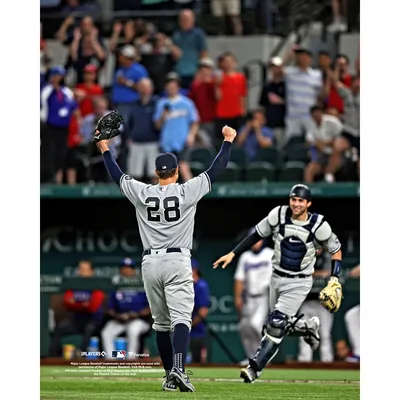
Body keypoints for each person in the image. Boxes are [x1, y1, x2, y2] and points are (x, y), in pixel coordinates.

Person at [95, 118, 237, 392]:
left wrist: (104, 148)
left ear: (156, 172)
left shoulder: (143, 192)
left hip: (150, 263)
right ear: (174, 171)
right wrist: (228, 141)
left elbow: (116, 175)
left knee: (160, 323)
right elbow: (216, 169)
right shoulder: (186, 190)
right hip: (177, 260)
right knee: (181, 317)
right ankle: (179, 370)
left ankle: (169, 377)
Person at [213, 184, 343, 383]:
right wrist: (233, 253)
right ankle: (307, 327)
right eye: (293, 199)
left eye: (301, 200)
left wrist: (334, 277)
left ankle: (254, 368)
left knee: (276, 324)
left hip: (299, 282)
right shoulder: (279, 215)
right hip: (276, 277)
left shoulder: (318, 225)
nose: (296, 203)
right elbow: (256, 234)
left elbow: (336, 249)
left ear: (308, 203)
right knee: (273, 326)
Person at [49, 260, 104, 356]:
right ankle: (52, 358)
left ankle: (81, 356)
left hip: (92, 320)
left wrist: (76, 304)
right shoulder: (74, 283)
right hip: (75, 319)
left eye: (85, 270)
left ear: (91, 272)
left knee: (89, 329)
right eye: (80, 269)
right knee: (59, 329)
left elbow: (93, 307)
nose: (81, 272)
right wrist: (83, 305)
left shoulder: (97, 284)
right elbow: (67, 302)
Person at [233, 237, 273, 365]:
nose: (255, 243)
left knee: (256, 325)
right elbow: (239, 279)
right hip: (248, 297)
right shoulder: (245, 257)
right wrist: (238, 297)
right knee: (244, 327)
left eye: (257, 240)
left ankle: (263, 357)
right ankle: (252, 358)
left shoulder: (270, 254)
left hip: (264, 296)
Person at [101, 258, 151, 360]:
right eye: (124, 268)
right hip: (121, 319)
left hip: (139, 320)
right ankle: (111, 359)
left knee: (132, 330)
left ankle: (130, 360)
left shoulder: (141, 284)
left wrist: (136, 315)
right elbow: (109, 307)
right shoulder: (116, 286)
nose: (127, 270)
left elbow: (152, 307)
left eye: (129, 268)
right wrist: (117, 316)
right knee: (106, 332)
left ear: (133, 270)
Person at [153, 72, 199, 183]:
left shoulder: (187, 103)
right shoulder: (161, 104)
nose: (171, 88)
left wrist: (191, 135)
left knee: (183, 166)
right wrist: (163, 116)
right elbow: (157, 126)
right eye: (169, 86)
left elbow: (195, 122)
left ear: (178, 86)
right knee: (165, 170)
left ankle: (192, 195)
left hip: (183, 141)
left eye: (173, 85)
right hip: (167, 142)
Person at [304, 105, 343, 183]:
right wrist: (318, 143)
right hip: (322, 155)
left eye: (318, 113)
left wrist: (326, 143)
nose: (317, 116)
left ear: (322, 113)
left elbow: (343, 137)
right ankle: (307, 193)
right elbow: (309, 141)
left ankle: (329, 177)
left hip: (338, 154)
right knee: (309, 170)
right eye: (314, 115)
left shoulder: (332, 121)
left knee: (330, 168)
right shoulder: (311, 125)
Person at [190, 259, 210, 364]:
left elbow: (203, 312)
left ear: (195, 270)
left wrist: (189, 325)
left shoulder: (201, 286)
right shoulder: (186, 286)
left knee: (196, 363)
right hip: (185, 331)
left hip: (197, 332)